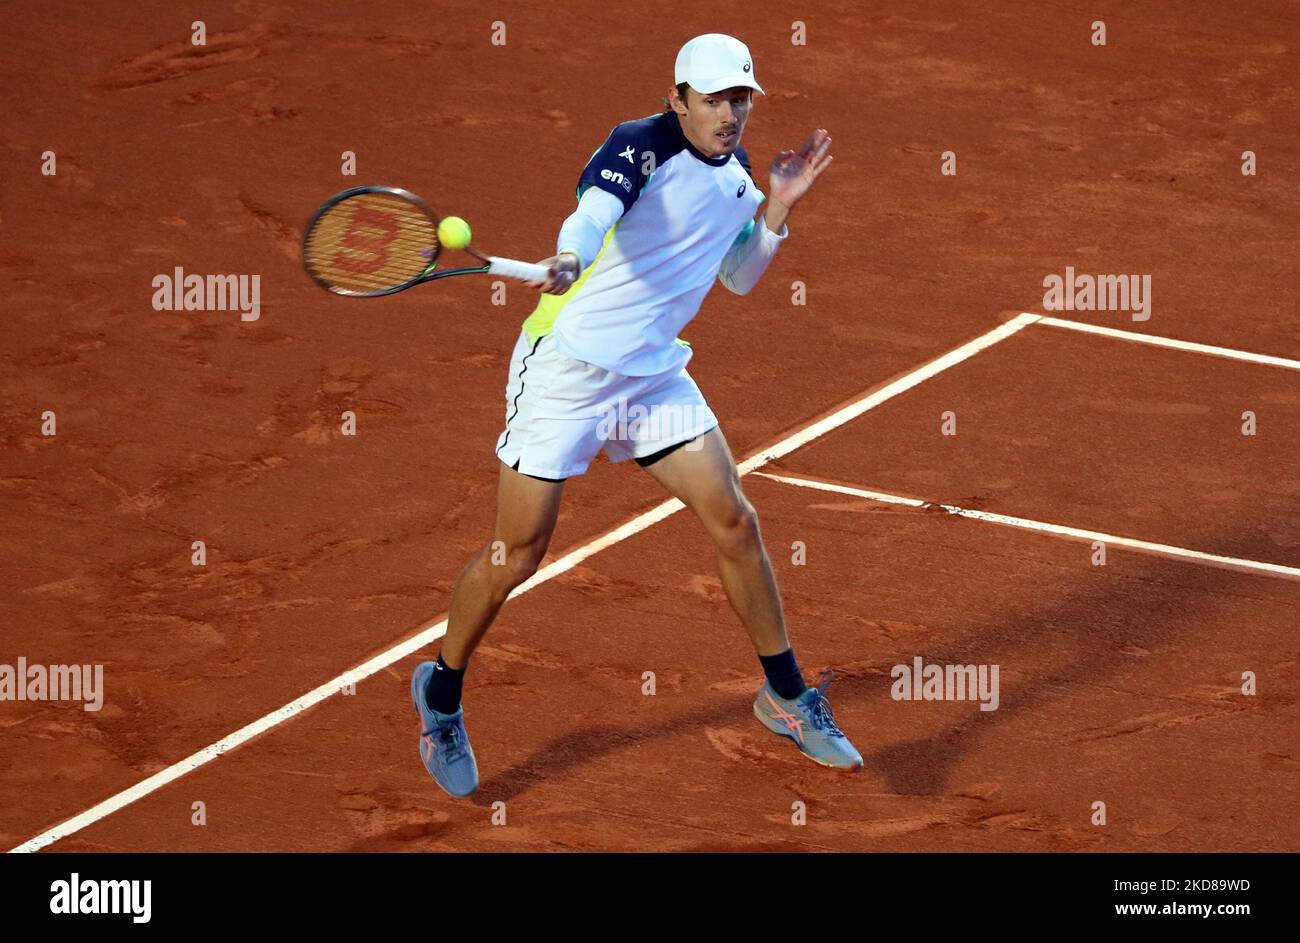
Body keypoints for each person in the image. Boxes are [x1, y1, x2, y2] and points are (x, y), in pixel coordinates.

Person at [411, 33, 861, 798]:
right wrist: (568, 255)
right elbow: (594, 214)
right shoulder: (640, 145)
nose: (729, 114)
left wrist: (777, 211)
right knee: (516, 555)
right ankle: (441, 693)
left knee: (735, 520)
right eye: (714, 98)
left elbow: (739, 276)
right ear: (677, 98)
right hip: (568, 373)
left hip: (651, 377)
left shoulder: (740, 181)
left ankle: (784, 695)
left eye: (740, 99)